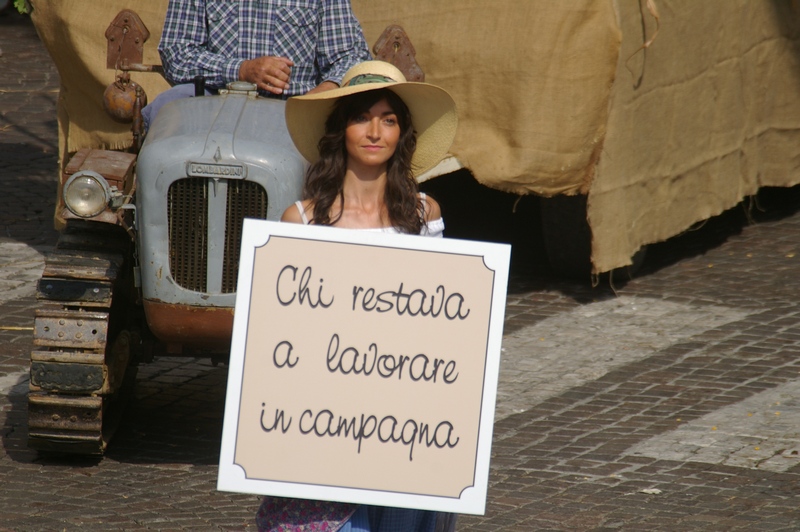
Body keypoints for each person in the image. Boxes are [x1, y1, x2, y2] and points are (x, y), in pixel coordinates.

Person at [254, 60, 459, 531]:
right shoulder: (301, 220)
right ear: (340, 130)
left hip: (405, 413)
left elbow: (442, 319)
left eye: (389, 119)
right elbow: (285, 330)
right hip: (326, 413)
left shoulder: (424, 215)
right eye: (361, 117)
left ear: (402, 134)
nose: (374, 132)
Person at [143, 0, 372, 126]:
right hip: (214, 101)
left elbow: (351, 57)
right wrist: (241, 70)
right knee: (166, 105)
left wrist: (326, 89)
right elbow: (176, 54)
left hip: (293, 109)